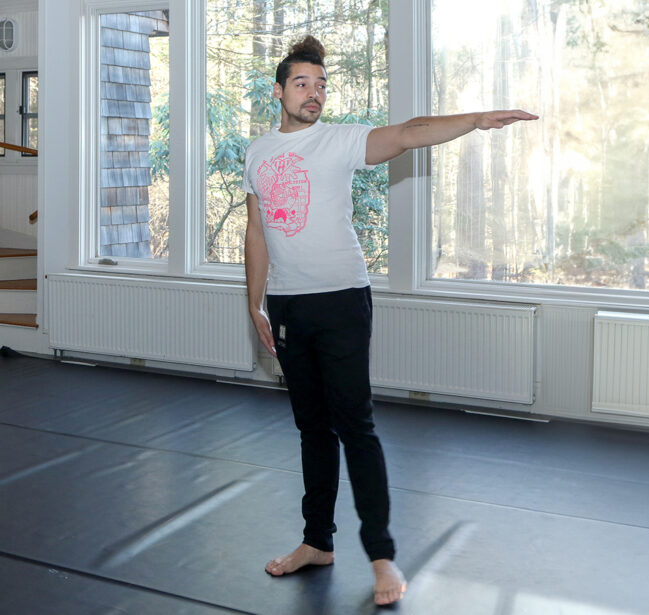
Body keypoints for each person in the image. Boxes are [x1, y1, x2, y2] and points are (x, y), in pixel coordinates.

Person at [242, 35, 537, 606]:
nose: (314, 93)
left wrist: (476, 119)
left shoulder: (339, 141)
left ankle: (381, 557)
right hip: (287, 305)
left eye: (321, 84)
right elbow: (256, 233)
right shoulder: (256, 153)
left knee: (355, 426)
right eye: (302, 83)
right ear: (278, 91)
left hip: (342, 299)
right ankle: (316, 542)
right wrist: (254, 303)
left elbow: (409, 131)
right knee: (311, 429)